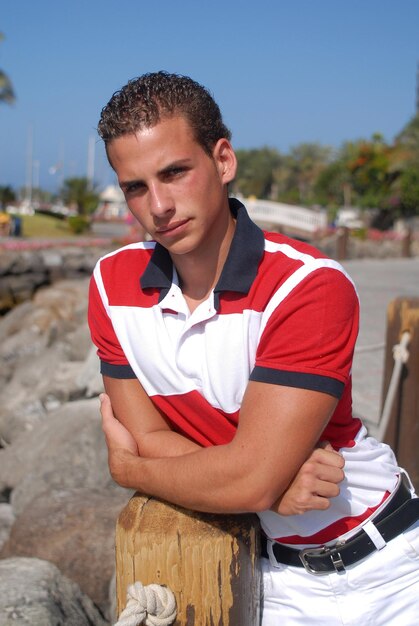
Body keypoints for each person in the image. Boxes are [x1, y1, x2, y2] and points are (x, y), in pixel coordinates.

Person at [88, 71, 419, 625]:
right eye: (136, 187)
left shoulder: (308, 286)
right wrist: (259, 479)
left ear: (222, 161)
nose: (159, 206)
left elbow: (202, 467)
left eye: (175, 172)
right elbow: (149, 436)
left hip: (388, 570)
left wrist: (131, 471)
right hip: (271, 576)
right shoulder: (110, 285)